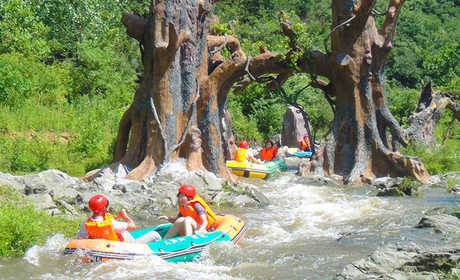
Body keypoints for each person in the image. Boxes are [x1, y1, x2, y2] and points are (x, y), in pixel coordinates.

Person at [77, 194, 161, 243]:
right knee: (155, 234)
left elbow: (81, 239)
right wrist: (125, 216)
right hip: (126, 249)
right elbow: (133, 227)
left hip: (106, 248)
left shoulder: (86, 224)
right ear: (105, 209)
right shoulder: (112, 224)